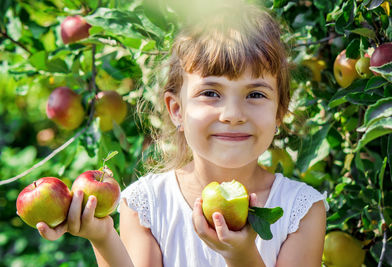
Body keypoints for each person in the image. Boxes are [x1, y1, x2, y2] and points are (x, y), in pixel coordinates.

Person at [36, 2, 328, 266]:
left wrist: (241, 256)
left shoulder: (299, 211)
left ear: (280, 110)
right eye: (211, 93)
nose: (233, 114)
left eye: (255, 94)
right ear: (177, 110)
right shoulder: (146, 203)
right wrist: (102, 237)